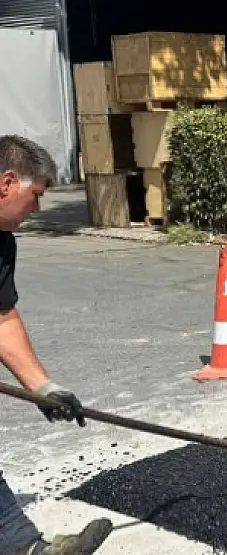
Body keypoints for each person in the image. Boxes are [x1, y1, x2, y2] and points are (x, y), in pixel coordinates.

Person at [0, 135, 114, 554]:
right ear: (7, 183)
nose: (37, 209)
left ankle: (25, 548)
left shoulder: (1, 244)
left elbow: (2, 319)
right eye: (36, 196)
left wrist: (41, 387)